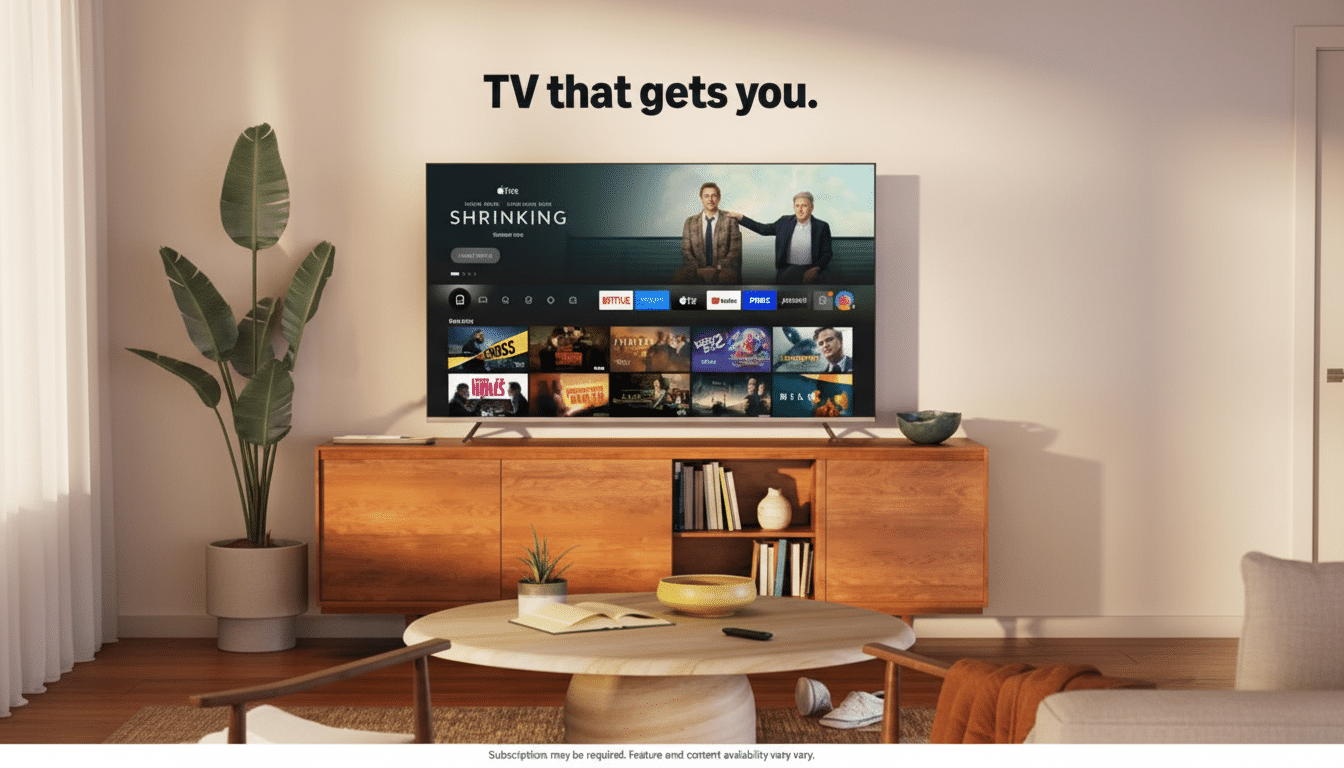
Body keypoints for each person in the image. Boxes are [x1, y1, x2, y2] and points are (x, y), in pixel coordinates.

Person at [725, 191, 833, 284]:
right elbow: (763, 229)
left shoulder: (822, 226)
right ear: (794, 207)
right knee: (781, 298)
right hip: (787, 270)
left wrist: (816, 269)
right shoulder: (784, 222)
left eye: (804, 206)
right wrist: (741, 218)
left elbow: (827, 253)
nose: (800, 209)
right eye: (797, 206)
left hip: (811, 270)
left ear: (811, 207)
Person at [675, 182, 742, 284]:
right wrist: (698, 270)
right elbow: (686, 251)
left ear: (719, 198)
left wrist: (717, 268)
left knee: (727, 278)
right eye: (706, 196)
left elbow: (734, 251)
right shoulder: (690, 222)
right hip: (696, 270)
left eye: (713, 195)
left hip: (723, 270)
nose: (710, 199)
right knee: (678, 278)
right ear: (701, 199)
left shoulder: (730, 220)